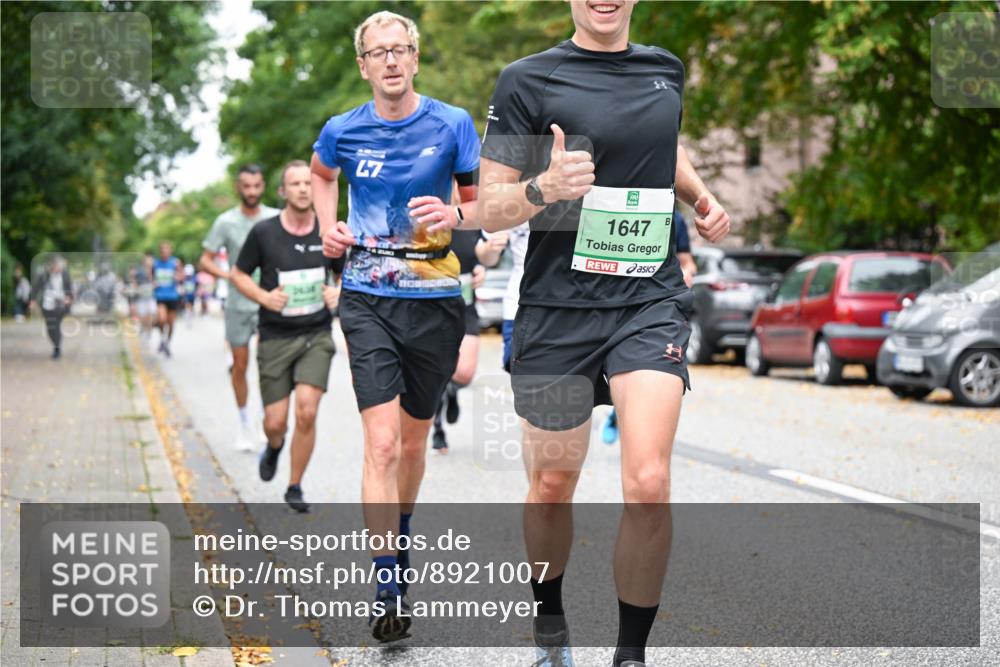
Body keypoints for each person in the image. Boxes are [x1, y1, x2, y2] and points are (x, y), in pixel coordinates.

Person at [479, 2, 731, 665]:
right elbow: (488, 203)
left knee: (648, 480)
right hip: (557, 312)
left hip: (646, 302)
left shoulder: (664, 70)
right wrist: (545, 185)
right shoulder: (526, 80)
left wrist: (700, 199)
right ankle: (550, 622)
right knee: (554, 482)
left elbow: (664, 149)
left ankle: (630, 654)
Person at [310, 10, 481, 643]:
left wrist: (454, 210)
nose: (390, 61)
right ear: (363, 65)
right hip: (366, 296)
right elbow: (323, 172)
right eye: (378, 52)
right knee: (380, 445)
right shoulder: (342, 130)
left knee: (412, 444)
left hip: (435, 296)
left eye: (400, 50)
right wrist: (331, 226)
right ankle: (387, 582)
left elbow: (481, 204)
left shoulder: (452, 123)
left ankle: (398, 550)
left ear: (415, 58)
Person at [231, 160, 343, 513]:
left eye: (308, 183)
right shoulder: (264, 233)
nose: (302, 189)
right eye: (294, 183)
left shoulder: (329, 233)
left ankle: (295, 485)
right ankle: (275, 445)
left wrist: (339, 291)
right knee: (275, 422)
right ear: (283, 191)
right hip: (275, 337)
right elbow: (238, 274)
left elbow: (348, 273)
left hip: (316, 334)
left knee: (307, 413)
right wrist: (263, 297)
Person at [200, 165, 281, 451]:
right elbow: (206, 260)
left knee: (267, 365)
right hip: (237, 305)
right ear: (238, 188)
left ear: (263, 187)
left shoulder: (274, 218)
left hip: (268, 303)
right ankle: (243, 422)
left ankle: (261, 421)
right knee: (240, 366)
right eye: (246, 186)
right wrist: (231, 277)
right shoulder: (225, 222)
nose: (252, 192)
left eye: (257, 186)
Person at [602, 209, 698, 445]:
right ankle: (619, 413)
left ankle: (623, 417)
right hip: (606, 303)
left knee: (647, 379)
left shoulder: (674, 217)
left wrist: (686, 274)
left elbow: (687, 262)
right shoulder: (604, 207)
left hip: (656, 306)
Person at [429, 229, 490, 453]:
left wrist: (482, 269)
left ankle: (451, 390)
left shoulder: (472, 225)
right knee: (435, 375)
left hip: (465, 309)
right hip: (433, 310)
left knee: (464, 372)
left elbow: (486, 257)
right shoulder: (428, 223)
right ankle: (438, 429)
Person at [30, 255, 73, 359]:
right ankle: (56, 345)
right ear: (52, 266)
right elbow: (36, 287)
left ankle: (57, 349)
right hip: (47, 305)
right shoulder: (44, 275)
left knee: (56, 326)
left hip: (61, 305)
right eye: (57, 266)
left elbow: (69, 288)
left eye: (60, 266)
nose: (59, 268)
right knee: (50, 328)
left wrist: (69, 298)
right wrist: (33, 300)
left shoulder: (65, 275)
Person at [152, 241, 184, 357]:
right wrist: (153, 283)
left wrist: (178, 277)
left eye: (167, 250)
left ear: (170, 251)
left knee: (171, 323)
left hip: (173, 296)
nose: (165, 252)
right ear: (160, 252)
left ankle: (167, 343)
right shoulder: (155, 264)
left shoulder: (175, 263)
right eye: (163, 250)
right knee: (162, 319)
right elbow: (151, 277)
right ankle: (162, 338)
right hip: (160, 296)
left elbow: (182, 276)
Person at [134, 254, 157, 341]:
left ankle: (149, 330)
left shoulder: (155, 270)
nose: (149, 262)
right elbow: (135, 282)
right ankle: (145, 329)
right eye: (148, 261)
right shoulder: (140, 272)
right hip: (142, 297)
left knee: (151, 314)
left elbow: (157, 281)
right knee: (143, 316)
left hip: (151, 297)